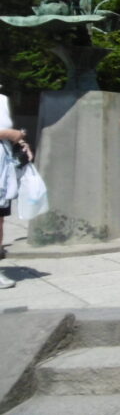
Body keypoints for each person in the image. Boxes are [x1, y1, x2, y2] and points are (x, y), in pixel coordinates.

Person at [0, 87, 33, 288]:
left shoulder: (2, 99)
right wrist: (9, 133)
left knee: (0, 219)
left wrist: (20, 141)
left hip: (2, 166)